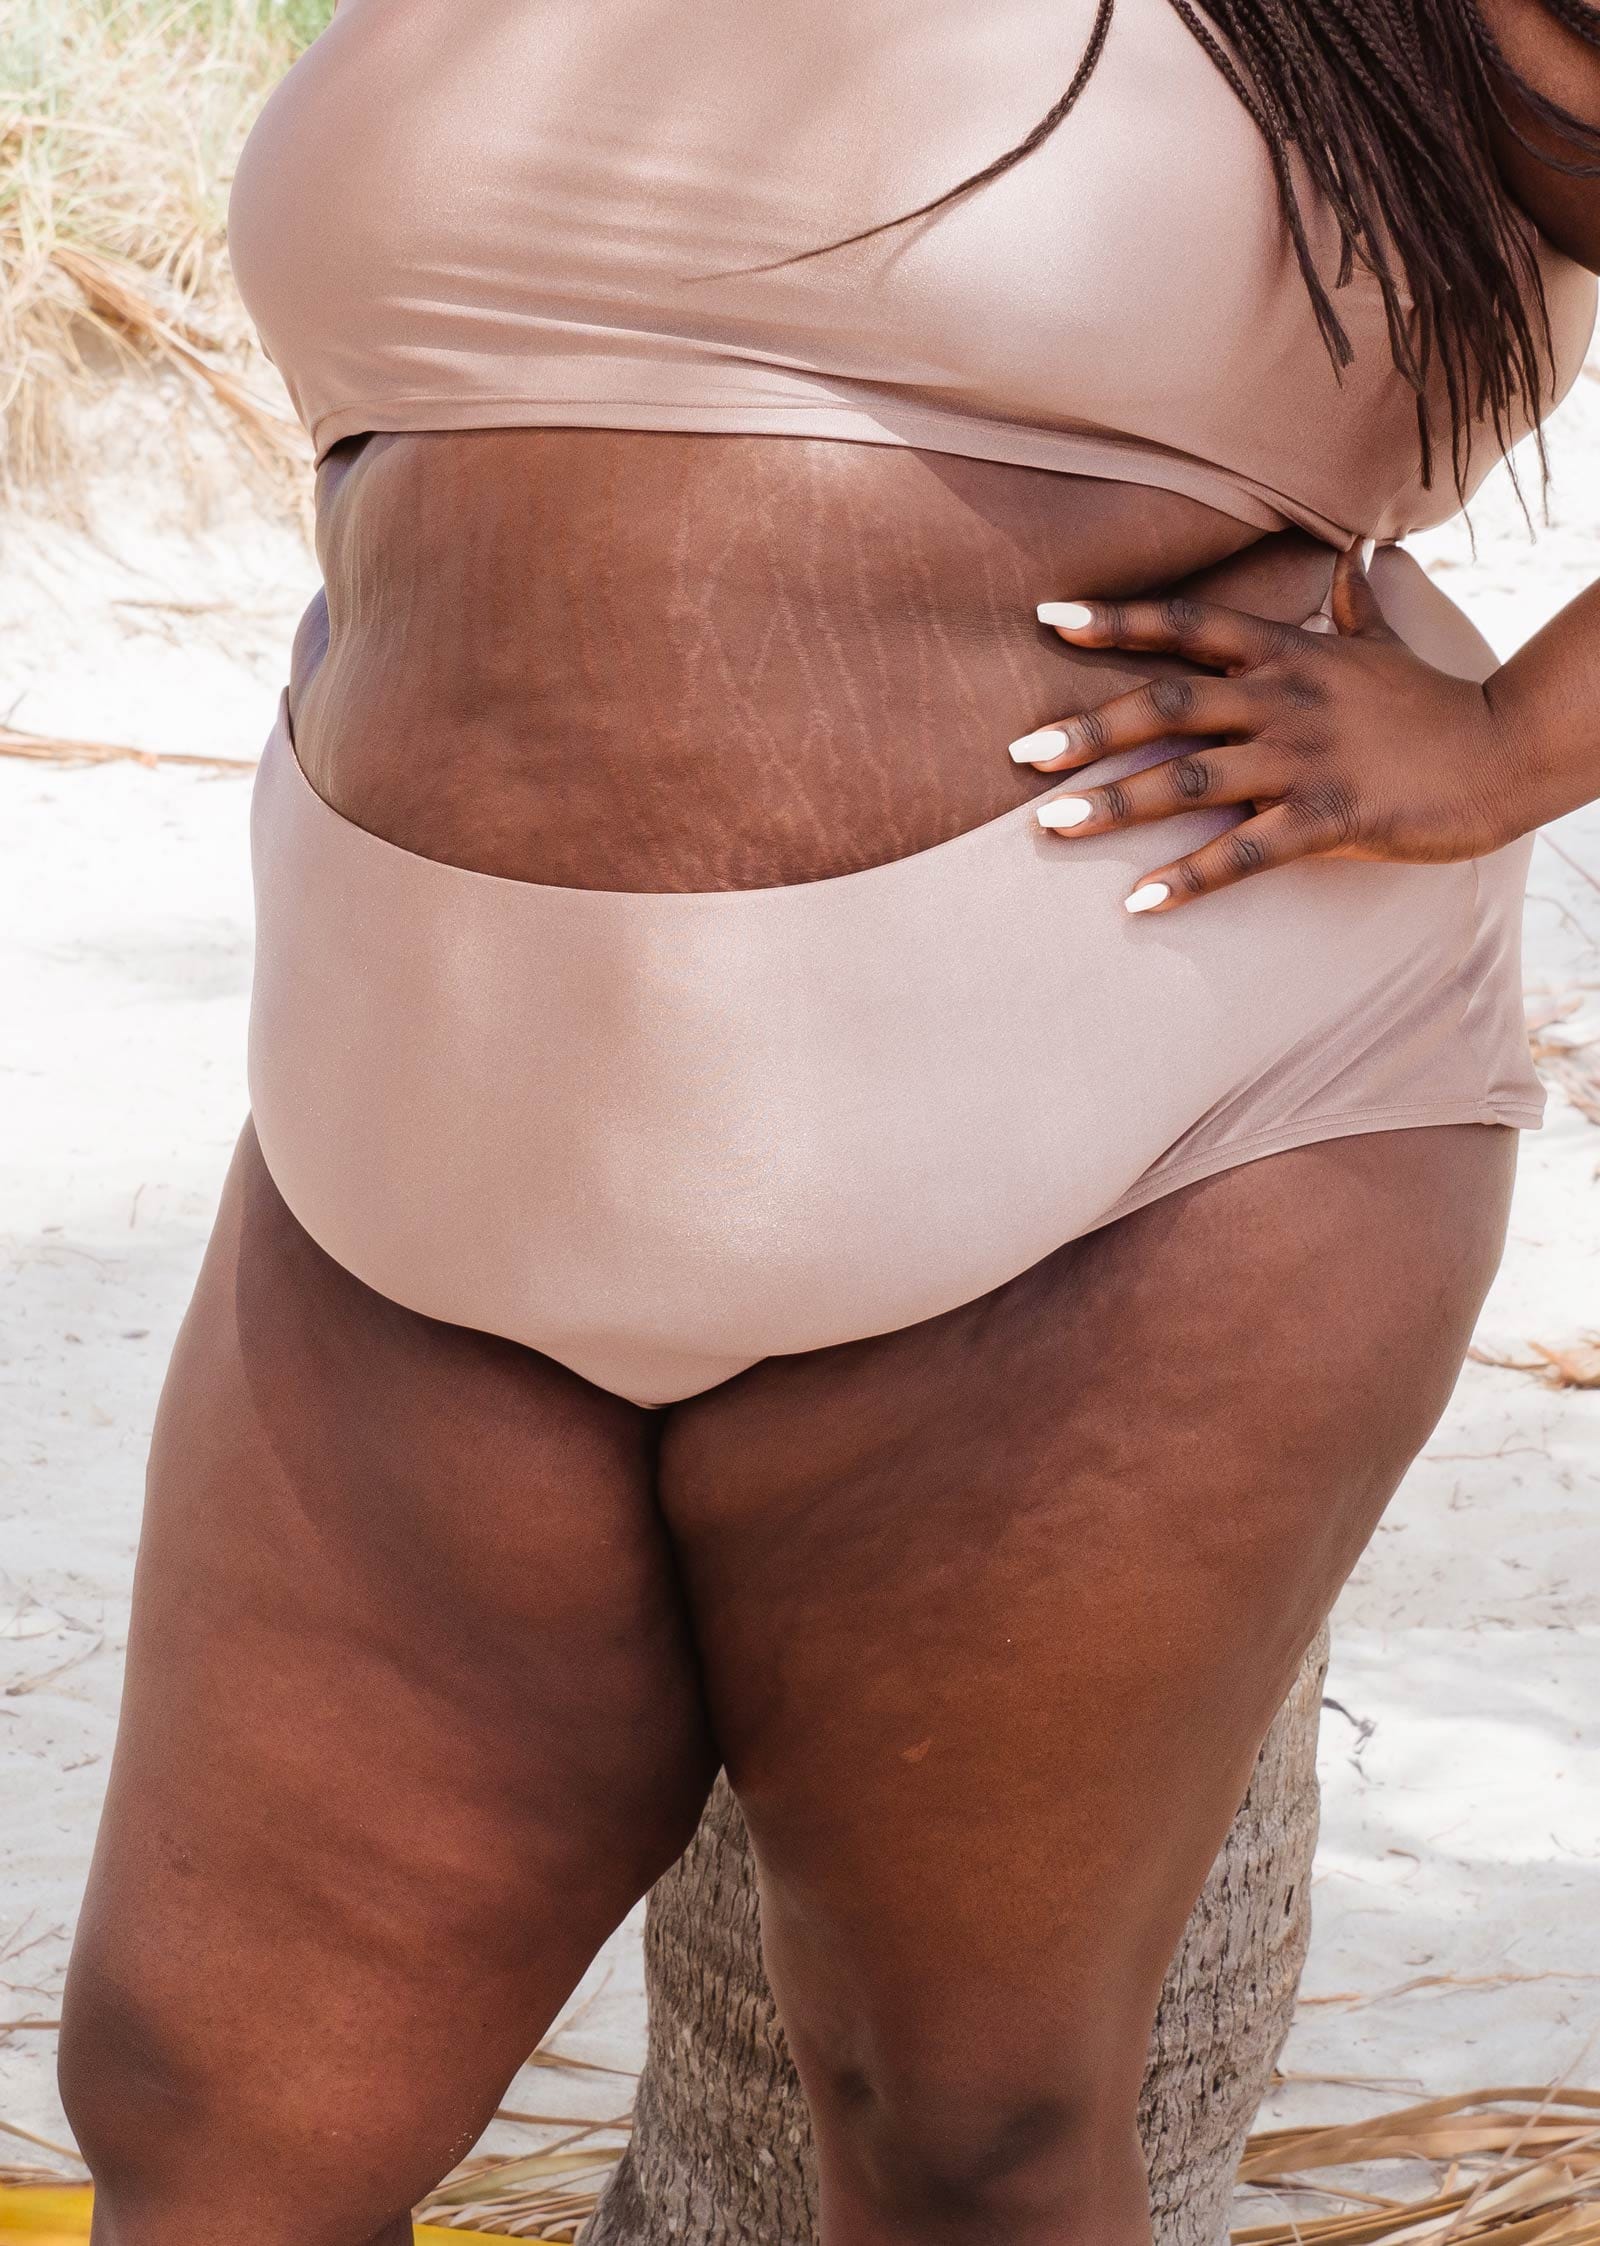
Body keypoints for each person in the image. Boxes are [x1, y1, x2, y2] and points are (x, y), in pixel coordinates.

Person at [56, 3, 1600, 2241]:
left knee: (957, 2127)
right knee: (206, 2095)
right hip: (426, 1110)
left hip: (1155, 1124)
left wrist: (1497, 749)